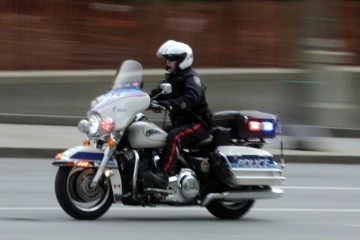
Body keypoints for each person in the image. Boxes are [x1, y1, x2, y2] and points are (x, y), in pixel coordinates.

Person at [143, 40, 212, 189]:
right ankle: (153, 170)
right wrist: (140, 100)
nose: (168, 62)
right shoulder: (171, 78)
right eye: (167, 59)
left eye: (171, 59)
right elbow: (156, 94)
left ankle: (164, 176)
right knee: (152, 133)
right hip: (182, 124)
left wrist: (171, 104)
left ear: (183, 59)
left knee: (174, 137)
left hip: (198, 125)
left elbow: (192, 97)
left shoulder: (192, 78)